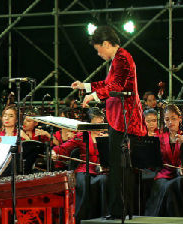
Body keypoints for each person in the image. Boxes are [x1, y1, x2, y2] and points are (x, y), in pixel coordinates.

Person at [71, 25, 146, 220]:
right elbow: (107, 83)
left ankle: (119, 209)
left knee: (118, 166)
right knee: (116, 166)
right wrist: (85, 86)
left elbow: (117, 86)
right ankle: (118, 209)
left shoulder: (122, 58)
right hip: (118, 117)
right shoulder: (117, 59)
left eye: (98, 49)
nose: (98, 54)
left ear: (105, 44)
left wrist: (94, 96)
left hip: (124, 118)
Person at [50, 109, 107, 221]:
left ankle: (103, 216)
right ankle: (81, 217)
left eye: (102, 123)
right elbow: (63, 148)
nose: (99, 127)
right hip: (85, 168)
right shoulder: (82, 136)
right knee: (84, 181)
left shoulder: (106, 136)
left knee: (105, 180)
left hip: (102, 170)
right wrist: (54, 152)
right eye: (96, 124)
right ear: (89, 124)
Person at [145, 104, 183, 217]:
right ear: (164, 121)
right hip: (165, 173)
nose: (170, 122)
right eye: (167, 119)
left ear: (180, 119)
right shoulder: (160, 137)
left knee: (178, 183)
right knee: (163, 185)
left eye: (173, 118)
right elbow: (152, 161)